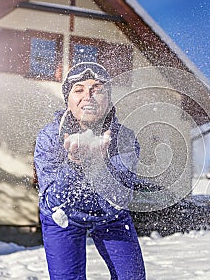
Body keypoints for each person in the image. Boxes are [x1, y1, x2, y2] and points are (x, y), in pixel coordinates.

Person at [34, 62, 146, 280]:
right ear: (68, 100)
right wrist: (74, 165)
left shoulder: (125, 139)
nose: (88, 96)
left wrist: (98, 165)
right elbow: (52, 200)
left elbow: (119, 197)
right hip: (62, 216)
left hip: (110, 216)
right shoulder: (49, 137)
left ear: (108, 100)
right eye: (79, 90)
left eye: (98, 90)